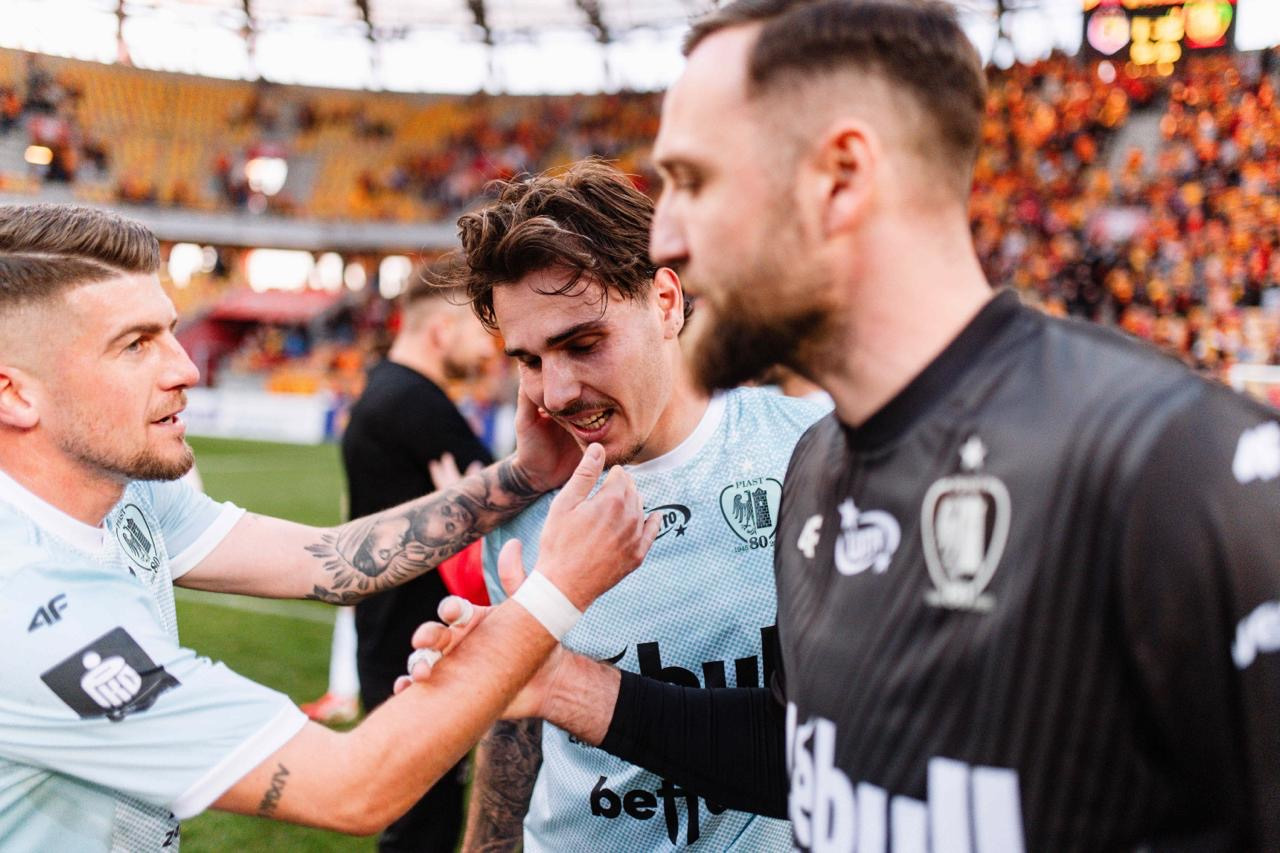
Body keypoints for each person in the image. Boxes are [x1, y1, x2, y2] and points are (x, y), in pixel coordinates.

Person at [407, 2, 1280, 849]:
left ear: (841, 176)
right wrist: (563, 683)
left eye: (695, 183)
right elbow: (806, 758)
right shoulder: (819, 463)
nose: (666, 239)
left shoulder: (1179, 462)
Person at [0, 202, 658, 850]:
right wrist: (557, 589)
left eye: (170, 331)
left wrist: (523, 474)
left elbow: (330, 559)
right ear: (15, 393)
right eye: (135, 344)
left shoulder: (128, 495)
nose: (186, 368)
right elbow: (350, 786)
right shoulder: (24, 607)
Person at [443, 160, 826, 851]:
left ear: (666, 302)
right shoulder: (530, 503)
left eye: (583, 343)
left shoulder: (810, 451)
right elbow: (517, 725)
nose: (556, 392)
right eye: (530, 360)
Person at [342, 274, 498, 852]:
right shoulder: (416, 402)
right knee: (423, 824)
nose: (490, 350)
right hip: (415, 640)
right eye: (480, 333)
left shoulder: (386, 389)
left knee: (417, 815)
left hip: (392, 628)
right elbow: (505, 492)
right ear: (440, 331)